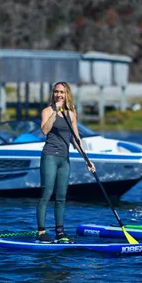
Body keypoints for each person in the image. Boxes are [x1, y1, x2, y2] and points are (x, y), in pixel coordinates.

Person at [37, 81, 95, 243]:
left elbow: (76, 140)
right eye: (56, 92)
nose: (58, 95)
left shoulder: (71, 115)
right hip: (49, 157)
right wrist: (55, 112)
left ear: (66, 94)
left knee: (61, 197)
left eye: (61, 92)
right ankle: (41, 232)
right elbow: (44, 130)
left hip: (64, 159)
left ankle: (60, 232)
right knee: (46, 195)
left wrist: (87, 161)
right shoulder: (47, 111)